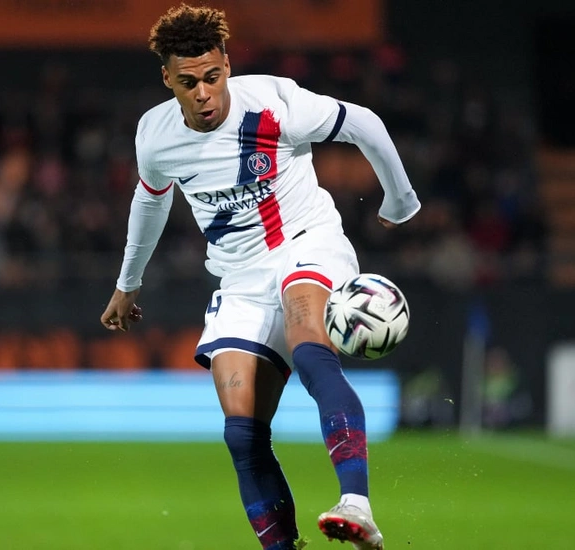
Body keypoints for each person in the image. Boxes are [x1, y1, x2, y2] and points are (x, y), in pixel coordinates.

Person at [100, 5, 420, 549]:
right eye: (189, 83)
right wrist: (127, 284)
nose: (204, 93)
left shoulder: (274, 102)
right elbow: (150, 202)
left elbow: (363, 122)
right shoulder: (155, 135)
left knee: (307, 339)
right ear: (167, 80)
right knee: (242, 431)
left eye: (212, 76)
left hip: (306, 244)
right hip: (240, 279)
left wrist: (400, 199)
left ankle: (357, 505)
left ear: (227, 65)